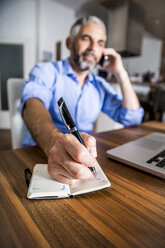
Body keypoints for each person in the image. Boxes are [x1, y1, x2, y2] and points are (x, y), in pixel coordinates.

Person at [21, 16, 144, 184]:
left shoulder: (100, 85)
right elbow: (31, 105)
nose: (93, 48)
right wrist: (54, 142)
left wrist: (120, 73)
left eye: (100, 43)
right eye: (86, 39)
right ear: (70, 43)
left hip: (83, 163)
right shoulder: (46, 71)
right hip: (36, 155)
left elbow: (132, 118)